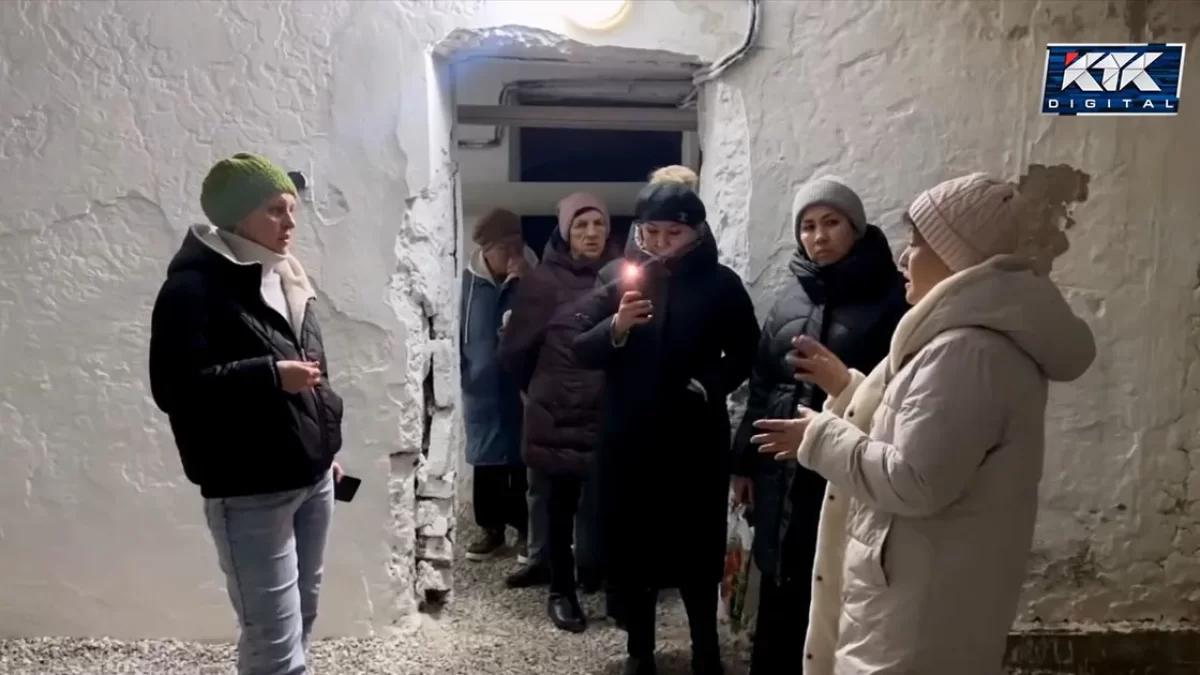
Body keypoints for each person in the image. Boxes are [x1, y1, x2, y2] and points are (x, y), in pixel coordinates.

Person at [750, 173, 1096, 674]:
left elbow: (914, 479)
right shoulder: (957, 337)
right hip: (914, 583)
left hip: (919, 604)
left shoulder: (967, 352)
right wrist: (848, 388)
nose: (903, 258)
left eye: (916, 243)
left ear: (956, 254)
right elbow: (917, 426)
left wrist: (820, 437)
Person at [148, 153, 346, 675]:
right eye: (275, 210)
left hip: (313, 479)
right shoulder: (191, 289)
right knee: (273, 640)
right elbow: (175, 388)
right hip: (250, 489)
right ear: (237, 216)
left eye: (292, 209)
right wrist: (269, 375)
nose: (290, 222)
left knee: (300, 619)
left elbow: (314, 373)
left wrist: (324, 448)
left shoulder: (287, 276)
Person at [574, 181, 761, 675]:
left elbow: (748, 351)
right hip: (629, 438)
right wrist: (616, 326)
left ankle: (706, 650)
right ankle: (640, 650)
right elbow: (578, 346)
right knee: (634, 547)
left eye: (672, 234)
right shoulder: (618, 277)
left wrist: (710, 383)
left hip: (693, 437)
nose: (659, 243)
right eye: (650, 232)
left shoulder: (721, 285)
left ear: (696, 232)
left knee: (696, 548)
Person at [729, 176, 907, 675]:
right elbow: (762, 384)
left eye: (831, 223)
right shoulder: (791, 299)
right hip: (780, 472)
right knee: (780, 585)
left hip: (842, 470)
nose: (819, 236)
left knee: (832, 589)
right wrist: (744, 463)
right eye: (807, 226)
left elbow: (898, 393)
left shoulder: (893, 301)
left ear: (856, 228)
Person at [498, 192, 615, 632]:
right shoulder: (542, 283)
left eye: (598, 224)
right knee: (559, 506)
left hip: (609, 411)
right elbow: (515, 351)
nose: (591, 233)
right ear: (566, 232)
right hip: (559, 411)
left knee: (607, 503)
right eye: (581, 226)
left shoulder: (620, 275)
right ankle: (561, 590)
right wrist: (543, 388)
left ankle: (601, 578)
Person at [460, 208, 536, 561]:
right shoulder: (468, 284)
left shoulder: (532, 276)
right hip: (482, 386)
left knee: (521, 459)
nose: (512, 254)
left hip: (521, 384)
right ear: (486, 250)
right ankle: (491, 529)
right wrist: (465, 372)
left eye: (516, 245)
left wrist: (524, 284)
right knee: (486, 459)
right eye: (504, 248)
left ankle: (524, 529)